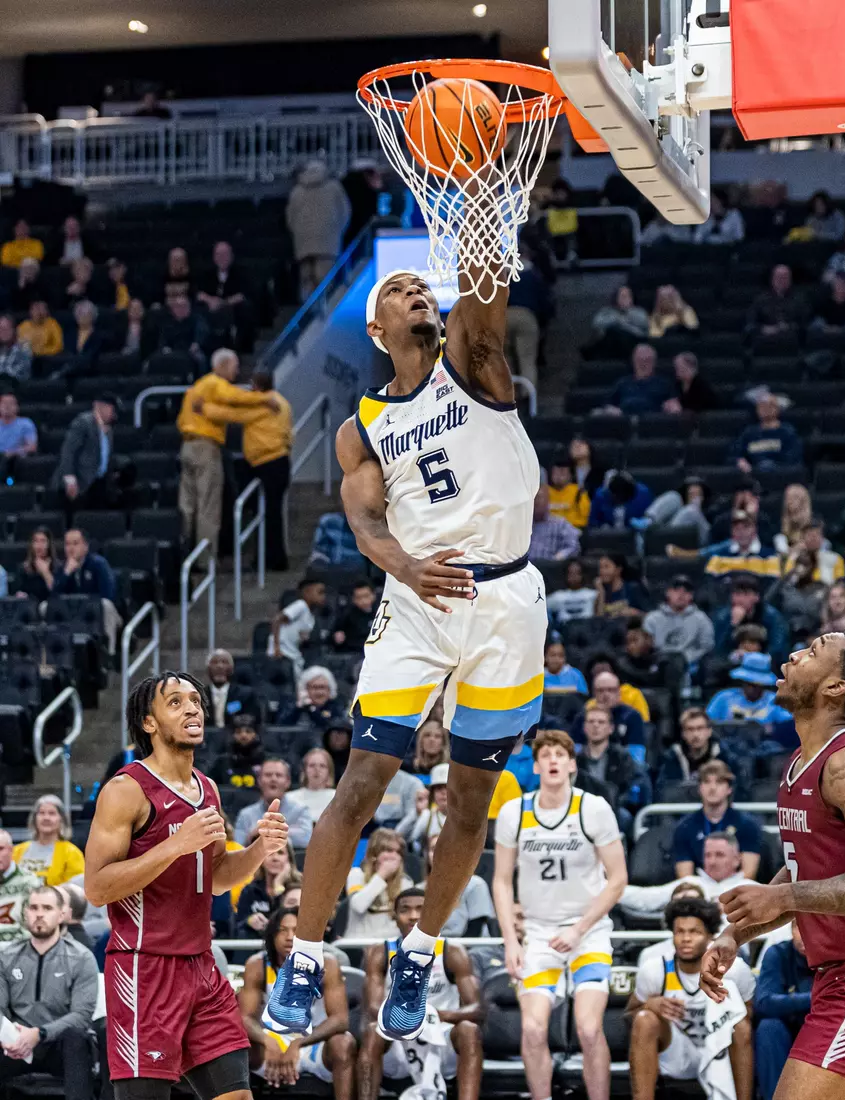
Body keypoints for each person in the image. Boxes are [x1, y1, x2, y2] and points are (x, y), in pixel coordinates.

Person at [267, 246, 546, 1043]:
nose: (416, 290)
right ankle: (306, 955)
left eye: (423, 284)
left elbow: (484, 308)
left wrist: (481, 206)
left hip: (505, 602)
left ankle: (421, 952)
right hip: (416, 602)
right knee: (361, 782)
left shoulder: (471, 358)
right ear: (375, 326)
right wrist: (405, 568)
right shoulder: (364, 426)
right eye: (398, 288)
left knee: (468, 800)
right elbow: (365, 522)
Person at [83, 671, 290, 1098]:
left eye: (195, 699)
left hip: (202, 966)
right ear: (149, 722)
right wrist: (176, 845)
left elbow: (216, 880)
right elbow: (97, 888)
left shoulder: (208, 789)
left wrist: (257, 850)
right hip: (145, 968)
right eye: (175, 702)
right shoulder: (126, 790)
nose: (192, 707)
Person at [701, 628, 845, 1100]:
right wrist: (736, 934)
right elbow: (807, 872)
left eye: (814, 651)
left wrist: (781, 896)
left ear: (834, 687)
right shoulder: (802, 761)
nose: (795, 653)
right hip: (839, 977)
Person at [493, 729, 627, 1100]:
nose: (552, 760)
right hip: (538, 934)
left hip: (589, 933)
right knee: (534, 1030)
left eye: (560, 754)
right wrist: (510, 940)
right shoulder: (514, 812)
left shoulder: (593, 808)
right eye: (545, 754)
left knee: (587, 1028)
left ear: (572, 765)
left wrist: (579, 928)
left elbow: (617, 879)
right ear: (535, 766)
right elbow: (502, 881)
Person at [358, 888, 484, 1100]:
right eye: (405, 910)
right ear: (394, 915)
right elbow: (372, 1007)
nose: (414, 915)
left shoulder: (451, 951)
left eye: (421, 909)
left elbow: (477, 1007)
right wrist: (406, 1017)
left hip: (441, 1037)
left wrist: (434, 1015)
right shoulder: (380, 952)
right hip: (397, 1036)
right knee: (373, 1031)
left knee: (469, 1031)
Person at [628, 897, 754, 1100]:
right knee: (644, 1020)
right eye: (680, 931)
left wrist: (726, 1010)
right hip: (677, 1050)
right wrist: (651, 1005)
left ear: (711, 936)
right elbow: (629, 1016)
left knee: (741, 1025)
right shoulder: (655, 969)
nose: (685, 938)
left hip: (720, 1047)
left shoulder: (734, 969)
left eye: (694, 932)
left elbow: (751, 1014)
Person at [238, 906, 356, 1096]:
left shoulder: (328, 963)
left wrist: (298, 1044)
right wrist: (267, 1041)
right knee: (233, 1043)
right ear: (271, 934)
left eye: (297, 930)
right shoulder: (257, 965)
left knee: (344, 1043)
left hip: (313, 1044)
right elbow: (245, 1018)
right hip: (271, 1044)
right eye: (283, 930)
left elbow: (340, 1020)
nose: (290, 937)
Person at [0, 885, 99, 1100]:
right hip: (15, 1043)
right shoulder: (6, 956)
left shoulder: (81, 958)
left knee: (76, 1037)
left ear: (61, 914)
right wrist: (9, 1037)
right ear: (25, 913)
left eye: (47, 908)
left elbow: (81, 1016)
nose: (39, 914)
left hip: (58, 1045)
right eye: (34, 908)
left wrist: (39, 1033)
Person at [177, 348, 276, 558]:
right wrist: (263, 399)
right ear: (223, 366)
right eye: (235, 366)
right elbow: (234, 396)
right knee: (208, 506)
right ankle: (205, 561)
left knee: (187, 506)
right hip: (205, 448)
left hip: (187, 447)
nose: (237, 371)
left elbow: (223, 412)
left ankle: (182, 554)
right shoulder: (215, 383)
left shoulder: (199, 386)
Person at [199, 367, 293, 570]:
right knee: (270, 512)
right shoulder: (281, 401)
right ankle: (270, 558)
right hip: (275, 462)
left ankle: (273, 560)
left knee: (270, 513)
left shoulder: (265, 405)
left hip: (270, 462)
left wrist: (204, 408)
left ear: (257, 386)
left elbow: (233, 414)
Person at [753, 919, 812, 1100]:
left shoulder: (838, 957)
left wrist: (791, 1001)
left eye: (811, 931)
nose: (804, 937)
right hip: (786, 1030)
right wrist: (812, 998)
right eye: (799, 929)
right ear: (792, 929)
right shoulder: (778, 953)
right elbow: (763, 1003)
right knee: (768, 1027)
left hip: (823, 1029)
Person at [672, 761, 761, 879]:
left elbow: (749, 874)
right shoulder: (684, 827)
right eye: (706, 782)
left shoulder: (748, 825)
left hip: (736, 888)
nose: (712, 788)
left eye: (719, 782)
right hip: (700, 890)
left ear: (729, 789)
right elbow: (685, 877)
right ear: (699, 788)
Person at [285, 160, 351, 299]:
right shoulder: (335, 188)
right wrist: (337, 233)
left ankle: (308, 315)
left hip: (303, 245)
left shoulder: (297, 191)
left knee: (307, 282)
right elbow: (345, 213)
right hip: (328, 244)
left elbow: (290, 218)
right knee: (325, 282)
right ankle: (323, 315)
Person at [54, 527, 122, 652]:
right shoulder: (63, 568)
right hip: (72, 614)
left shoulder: (99, 564)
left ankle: (109, 655)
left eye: (75, 543)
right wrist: (67, 574)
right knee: (44, 606)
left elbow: (108, 595)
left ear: (85, 546)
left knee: (106, 605)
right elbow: (54, 597)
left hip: (99, 614)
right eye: (67, 544)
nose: (71, 548)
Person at [707, 653, 796, 744]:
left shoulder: (777, 700)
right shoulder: (723, 698)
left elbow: (790, 727)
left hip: (764, 749)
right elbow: (706, 722)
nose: (753, 689)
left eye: (758, 685)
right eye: (749, 684)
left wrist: (772, 729)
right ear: (743, 681)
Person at [576, 705, 643, 825]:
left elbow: (629, 789)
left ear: (611, 728)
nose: (595, 725)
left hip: (614, 809)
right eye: (591, 721)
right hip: (581, 810)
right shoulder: (574, 760)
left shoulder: (623, 758)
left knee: (624, 816)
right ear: (584, 728)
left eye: (601, 722)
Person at [52, 394, 119, 510]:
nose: (113, 414)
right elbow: (69, 450)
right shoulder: (83, 422)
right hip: (80, 482)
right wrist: (69, 478)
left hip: (97, 482)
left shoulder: (108, 429)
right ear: (100, 406)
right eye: (111, 409)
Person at [344, 829, 413, 940]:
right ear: (374, 853)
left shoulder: (406, 882)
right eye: (389, 850)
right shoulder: (356, 875)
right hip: (358, 942)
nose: (394, 856)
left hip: (390, 943)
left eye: (398, 852)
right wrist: (381, 876)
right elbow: (358, 906)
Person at [656, 707, 739, 800]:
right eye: (690, 729)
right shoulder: (671, 758)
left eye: (700, 728)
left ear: (709, 731)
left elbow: (736, 792)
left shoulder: (725, 757)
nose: (695, 734)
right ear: (683, 733)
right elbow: (664, 793)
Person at [421, 832, 494, 936]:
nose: (440, 853)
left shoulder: (475, 884)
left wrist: (448, 949)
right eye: (433, 849)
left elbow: (475, 930)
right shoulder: (419, 889)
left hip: (471, 948)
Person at [232, 758, 313, 849]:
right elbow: (237, 846)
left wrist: (265, 832)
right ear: (259, 780)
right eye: (268, 775)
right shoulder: (245, 814)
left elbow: (306, 839)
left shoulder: (301, 811)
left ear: (288, 781)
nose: (273, 779)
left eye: (278, 775)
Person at [712, 574, 791, 668]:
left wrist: (754, 656)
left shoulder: (771, 616)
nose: (740, 599)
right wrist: (733, 624)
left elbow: (778, 645)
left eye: (746, 594)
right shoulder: (723, 616)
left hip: (765, 662)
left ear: (756, 597)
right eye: (737, 594)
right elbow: (719, 650)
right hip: (733, 663)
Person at [505, 242, 553, 389]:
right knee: (527, 360)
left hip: (503, 317)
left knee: (505, 361)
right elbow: (544, 300)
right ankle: (529, 399)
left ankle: (507, 398)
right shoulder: (533, 274)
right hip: (527, 316)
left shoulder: (501, 274)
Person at [197, 241, 255, 353]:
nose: (222, 258)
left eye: (225, 254)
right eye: (219, 255)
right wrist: (210, 300)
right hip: (211, 311)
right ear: (214, 257)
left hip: (232, 310)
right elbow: (199, 293)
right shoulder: (207, 274)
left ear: (231, 256)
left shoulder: (240, 273)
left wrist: (224, 303)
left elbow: (244, 294)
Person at [13, 795, 84, 887]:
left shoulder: (71, 852)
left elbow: (77, 889)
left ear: (61, 819)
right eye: (42, 813)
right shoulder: (17, 850)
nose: (46, 817)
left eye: (52, 813)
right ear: (34, 819)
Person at [644, 575, 715, 666]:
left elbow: (707, 647)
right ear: (668, 593)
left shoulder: (701, 618)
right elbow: (646, 648)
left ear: (691, 596)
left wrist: (686, 660)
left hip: (690, 666)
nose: (681, 594)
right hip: (659, 666)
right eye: (676, 590)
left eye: (686, 591)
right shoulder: (652, 618)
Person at [730, 393, 803, 474]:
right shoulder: (749, 433)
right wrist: (740, 461)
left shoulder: (787, 432)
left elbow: (793, 459)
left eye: (770, 405)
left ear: (777, 408)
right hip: (753, 476)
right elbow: (735, 454)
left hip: (781, 475)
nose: (766, 409)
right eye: (762, 406)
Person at [269, 575, 326, 674]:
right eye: (320, 592)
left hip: (293, 652)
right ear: (307, 592)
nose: (323, 596)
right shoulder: (300, 605)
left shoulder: (311, 616)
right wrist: (276, 647)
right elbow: (277, 620)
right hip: (282, 651)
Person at [236, 845, 297, 936]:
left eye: (280, 853)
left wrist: (278, 886)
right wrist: (249, 921)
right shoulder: (250, 890)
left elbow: (285, 919)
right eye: (269, 853)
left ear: (289, 859)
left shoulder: (298, 890)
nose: (275, 858)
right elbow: (237, 925)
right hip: (254, 944)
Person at [604, 343, 673, 416]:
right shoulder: (622, 383)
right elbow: (608, 404)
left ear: (654, 362)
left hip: (653, 423)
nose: (643, 364)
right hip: (624, 422)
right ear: (633, 361)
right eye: (639, 360)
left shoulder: (664, 384)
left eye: (647, 360)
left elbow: (673, 405)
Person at [746, 264, 809, 337]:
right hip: (766, 338)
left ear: (790, 280)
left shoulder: (800, 299)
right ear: (772, 279)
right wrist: (763, 328)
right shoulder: (760, 299)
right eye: (778, 277)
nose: (781, 280)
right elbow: (751, 322)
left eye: (785, 277)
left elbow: (805, 322)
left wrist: (789, 327)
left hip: (793, 337)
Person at [0, 830, 39, 943]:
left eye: (0, 849)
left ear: (11, 850)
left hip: (17, 951)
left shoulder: (30, 882)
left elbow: (32, 928)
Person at [203, 648, 257, 728]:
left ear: (231, 669)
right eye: (215, 662)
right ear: (208, 669)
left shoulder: (245, 695)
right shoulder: (199, 695)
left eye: (224, 662)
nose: (219, 666)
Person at [589, 284, 650, 352]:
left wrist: (628, 312)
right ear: (616, 298)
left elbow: (645, 324)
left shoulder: (639, 311)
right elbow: (596, 323)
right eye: (623, 296)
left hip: (634, 344)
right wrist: (617, 319)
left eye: (629, 296)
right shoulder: (607, 311)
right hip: (612, 345)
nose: (626, 299)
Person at [210, 714, 265, 787]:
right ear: (233, 735)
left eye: (248, 731)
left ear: (255, 734)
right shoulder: (222, 762)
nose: (243, 735)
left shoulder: (265, 761)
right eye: (238, 732)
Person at [530, 483, 581, 559]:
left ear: (548, 500)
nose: (536, 501)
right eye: (533, 498)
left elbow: (574, 546)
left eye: (539, 497)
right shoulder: (523, 526)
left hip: (550, 567)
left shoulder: (560, 524)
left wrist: (558, 558)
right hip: (526, 568)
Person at [588, 470, 653, 530]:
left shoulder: (643, 494)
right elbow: (592, 522)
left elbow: (649, 519)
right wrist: (601, 528)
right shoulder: (600, 495)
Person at [288, 749, 336, 825]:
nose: (317, 769)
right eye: (312, 765)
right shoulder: (289, 798)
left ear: (329, 771)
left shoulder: (337, 797)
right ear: (304, 770)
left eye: (322, 766)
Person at [157, 292, 209, 362]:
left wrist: (196, 343)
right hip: (172, 350)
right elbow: (163, 339)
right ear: (172, 309)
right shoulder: (168, 322)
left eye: (184, 306)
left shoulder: (196, 319)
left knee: (200, 358)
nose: (181, 309)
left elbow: (202, 333)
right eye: (178, 306)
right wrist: (165, 348)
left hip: (191, 350)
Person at [595, 553, 649, 617]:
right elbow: (598, 620)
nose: (602, 571)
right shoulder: (600, 590)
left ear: (618, 569)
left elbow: (650, 616)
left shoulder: (633, 588)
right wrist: (601, 593)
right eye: (600, 567)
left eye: (606, 567)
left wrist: (636, 613)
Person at [548, 559, 600, 623]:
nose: (574, 577)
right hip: (565, 629)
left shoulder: (593, 594)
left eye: (577, 573)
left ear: (583, 575)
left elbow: (600, 615)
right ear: (566, 575)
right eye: (571, 573)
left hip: (587, 629)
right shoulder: (558, 596)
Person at [332, 579, 377, 651]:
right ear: (353, 599)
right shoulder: (347, 616)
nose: (363, 601)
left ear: (373, 595)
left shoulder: (381, 612)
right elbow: (335, 634)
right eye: (359, 598)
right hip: (356, 653)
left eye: (366, 596)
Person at [547, 457, 590, 529]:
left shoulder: (578, 491)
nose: (558, 476)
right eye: (555, 473)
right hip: (547, 531)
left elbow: (585, 516)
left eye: (562, 473)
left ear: (570, 476)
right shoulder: (544, 492)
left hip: (573, 529)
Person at [411, 764, 449, 844]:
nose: (444, 792)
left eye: (448, 787)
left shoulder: (465, 817)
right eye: (438, 788)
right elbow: (412, 842)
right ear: (432, 794)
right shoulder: (427, 816)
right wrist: (416, 813)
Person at [775, 484, 813, 556]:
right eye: (787, 498)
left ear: (803, 501)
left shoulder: (813, 524)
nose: (790, 501)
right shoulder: (779, 524)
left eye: (795, 498)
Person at [0, 390, 37, 461]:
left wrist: (13, 452)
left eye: (11, 403)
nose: (7, 406)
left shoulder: (25, 423)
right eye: (4, 403)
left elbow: (32, 447)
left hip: (14, 459)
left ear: (17, 407)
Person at [0, 313, 32, 382]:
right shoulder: (2, 349)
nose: (3, 332)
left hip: (16, 387)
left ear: (14, 330)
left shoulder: (24, 348)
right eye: (1, 328)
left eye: (7, 328)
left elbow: (19, 374)